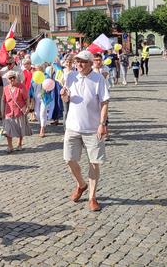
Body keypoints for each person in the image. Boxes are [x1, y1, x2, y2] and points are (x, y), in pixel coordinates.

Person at [60, 50, 110, 212]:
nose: (79, 64)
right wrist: (64, 96)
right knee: (69, 159)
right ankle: (81, 184)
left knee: (94, 162)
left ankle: (92, 197)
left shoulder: (98, 79)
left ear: (90, 63)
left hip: (92, 128)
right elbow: (67, 99)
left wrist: (102, 124)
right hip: (72, 126)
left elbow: (104, 102)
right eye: (77, 61)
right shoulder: (70, 77)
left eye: (82, 61)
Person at [2, 71, 32, 153]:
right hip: (8, 112)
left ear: (16, 78)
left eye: (13, 78)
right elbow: (4, 101)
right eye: (10, 78)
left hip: (19, 111)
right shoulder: (5, 88)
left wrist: (28, 107)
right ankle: (10, 146)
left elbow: (26, 98)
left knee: (20, 128)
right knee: (8, 130)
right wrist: (2, 112)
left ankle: (20, 144)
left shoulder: (21, 87)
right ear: (7, 80)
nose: (12, 79)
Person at [31, 65, 54, 138]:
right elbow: (31, 87)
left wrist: (48, 89)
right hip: (36, 98)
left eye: (36, 68)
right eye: (35, 68)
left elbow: (50, 85)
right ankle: (43, 123)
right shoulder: (34, 77)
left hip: (45, 98)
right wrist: (31, 97)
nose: (35, 69)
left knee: (42, 112)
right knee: (37, 113)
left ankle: (42, 129)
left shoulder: (46, 77)